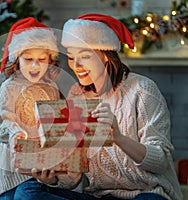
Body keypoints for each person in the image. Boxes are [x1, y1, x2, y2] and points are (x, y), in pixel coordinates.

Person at [13, 14, 183, 200]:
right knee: (27, 192)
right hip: (97, 196)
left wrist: (117, 137)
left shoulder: (142, 90)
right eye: (71, 57)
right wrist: (52, 179)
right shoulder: (77, 94)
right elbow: (74, 178)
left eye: (85, 56)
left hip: (145, 194)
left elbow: (160, 161)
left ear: (106, 56)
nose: (76, 65)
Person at [0, 17, 60, 199]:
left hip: (40, 167)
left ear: (50, 60)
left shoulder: (51, 88)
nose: (35, 66)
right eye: (28, 59)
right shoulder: (10, 87)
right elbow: (3, 121)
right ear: (16, 59)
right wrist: (15, 133)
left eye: (41, 59)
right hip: (12, 171)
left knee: (31, 193)